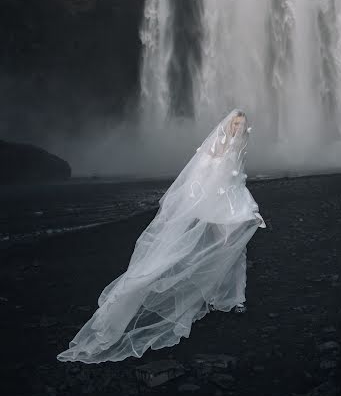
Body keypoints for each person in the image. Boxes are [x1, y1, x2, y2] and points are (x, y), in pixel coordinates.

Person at [57, 108, 267, 363]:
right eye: (235, 124)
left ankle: (234, 297)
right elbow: (200, 176)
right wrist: (194, 203)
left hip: (232, 203)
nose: (237, 129)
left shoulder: (241, 144)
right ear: (228, 125)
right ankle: (214, 295)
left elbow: (236, 178)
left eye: (241, 125)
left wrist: (246, 205)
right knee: (215, 249)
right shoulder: (216, 148)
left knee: (235, 249)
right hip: (214, 206)